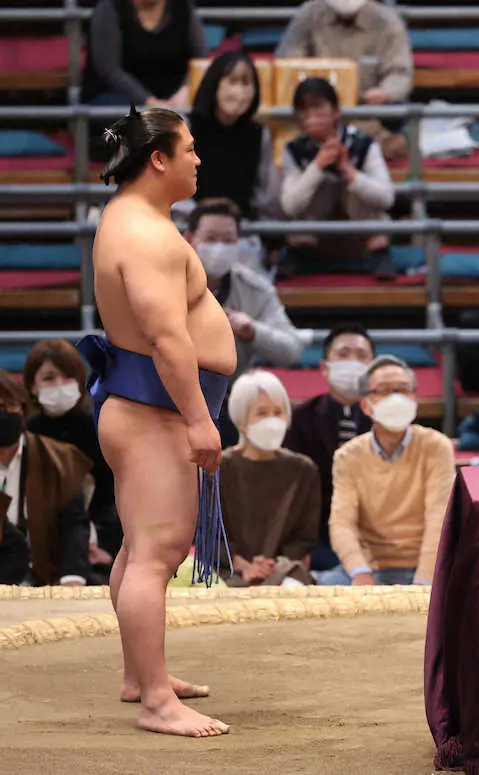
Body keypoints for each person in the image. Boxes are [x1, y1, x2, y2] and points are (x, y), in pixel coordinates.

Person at [79, 106, 235, 736]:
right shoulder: (147, 236)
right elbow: (168, 341)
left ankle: (141, 677)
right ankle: (156, 703)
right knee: (156, 553)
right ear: (159, 159)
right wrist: (199, 421)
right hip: (155, 410)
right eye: (189, 149)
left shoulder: (129, 219)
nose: (199, 159)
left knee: (138, 548)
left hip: (142, 405)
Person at [321, 356, 455, 586]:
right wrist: (360, 572)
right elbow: (342, 523)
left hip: (425, 566)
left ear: (414, 398)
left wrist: (424, 582)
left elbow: (439, 518)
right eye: (383, 390)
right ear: (366, 405)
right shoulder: (348, 456)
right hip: (371, 567)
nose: (395, 398)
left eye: (402, 389)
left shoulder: (436, 446)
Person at [279, 77, 395, 278]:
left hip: (362, 235)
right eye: (304, 110)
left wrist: (349, 172)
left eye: (317, 107)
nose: (311, 116)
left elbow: (387, 197)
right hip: (311, 237)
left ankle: (380, 257)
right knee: (315, 187)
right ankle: (298, 257)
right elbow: (290, 206)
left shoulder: (363, 144)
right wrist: (317, 166)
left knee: (357, 189)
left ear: (336, 111)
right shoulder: (294, 150)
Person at [284, 323, 374, 572]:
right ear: (325, 367)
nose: (353, 362)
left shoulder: (387, 421)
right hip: (318, 534)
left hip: (375, 533)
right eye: (343, 354)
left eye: (361, 356)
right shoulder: (300, 419)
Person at [23, 339, 122, 561]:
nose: (59, 384)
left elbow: (112, 496)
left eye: (68, 376)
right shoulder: (25, 434)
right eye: (49, 378)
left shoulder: (99, 428)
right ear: (32, 386)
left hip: (102, 534)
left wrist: (106, 549)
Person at [219, 371, 319, 587]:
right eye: (262, 413)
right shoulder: (218, 468)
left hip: (284, 570)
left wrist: (273, 566)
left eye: (278, 412)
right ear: (241, 421)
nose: (272, 420)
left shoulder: (303, 469)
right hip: (226, 570)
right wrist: (240, 564)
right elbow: (207, 533)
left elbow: (305, 536)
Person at [186, 197, 303, 379]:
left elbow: (292, 350)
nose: (219, 247)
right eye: (210, 239)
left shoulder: (256, 288)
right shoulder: (163, 284)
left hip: (232, 389)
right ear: (189, 239)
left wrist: (253, 331)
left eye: (228, 240)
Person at [0, 369, 92, 587]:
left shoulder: (58, 459)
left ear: (22, 409)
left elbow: (74, 524)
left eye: (5, 407)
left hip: (48, 577)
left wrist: (72, 578)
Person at [189, 50, 281, 223]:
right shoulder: (186, 129)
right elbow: (172, 192)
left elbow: (268, 199)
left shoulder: (260, 135)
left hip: (243, 229)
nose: (239, 92)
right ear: (215, 83)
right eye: (232, 81)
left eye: (246, 83)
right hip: (191, 227)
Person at [275, 0, 414, 106]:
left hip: (368, 115)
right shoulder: (308, 16)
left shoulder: (387, 22)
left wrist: (386, 92)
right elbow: (286, 64)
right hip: (315, 114)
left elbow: (399, 72)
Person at [82, 0, 208, 107]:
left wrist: (186, 90)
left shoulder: (183, 7)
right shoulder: (110, 7)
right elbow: (109, 71)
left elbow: (200, 59)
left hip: (173, 98)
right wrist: (148, 101)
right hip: (117, 96)